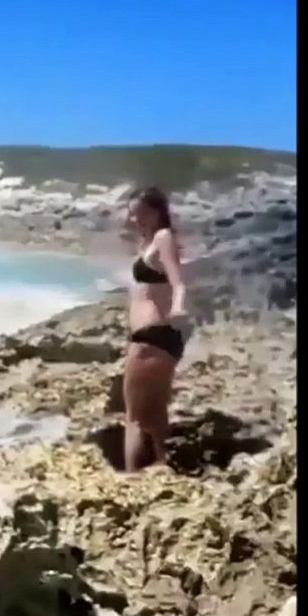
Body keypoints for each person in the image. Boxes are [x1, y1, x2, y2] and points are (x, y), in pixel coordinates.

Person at [123, 186, 189, 471]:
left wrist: (178, 307)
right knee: (156, 416)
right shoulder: (150, 242)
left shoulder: (163, 238)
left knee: (134, 418)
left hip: (151, 334)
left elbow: (179, 282)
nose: (135, 219)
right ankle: (165, 467)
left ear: (158, 212)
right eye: (132, 214)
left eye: (141, 213)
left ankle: (127, 480)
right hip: (160, 337)